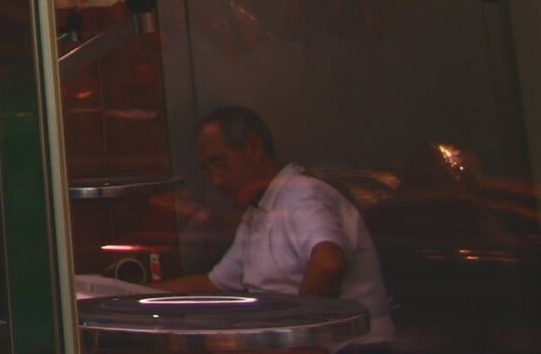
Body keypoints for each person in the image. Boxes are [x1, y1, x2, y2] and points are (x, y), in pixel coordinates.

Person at [159, 105, 395, 349]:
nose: (216, 181)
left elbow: (328, 263)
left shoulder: (303, 193)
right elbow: (214, 284)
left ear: (253, 148)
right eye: (209, 169)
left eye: (220, 163)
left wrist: (298, 337)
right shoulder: (258, 214)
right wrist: (129, 294)